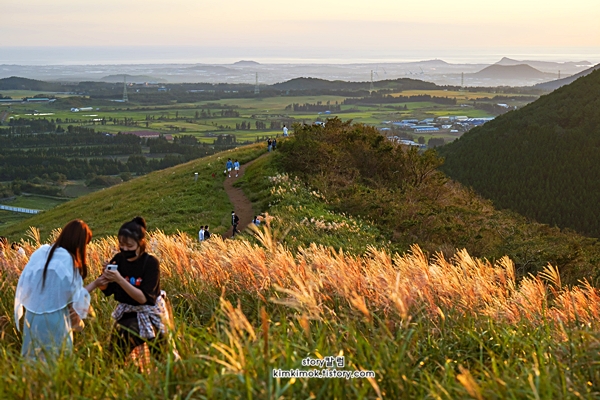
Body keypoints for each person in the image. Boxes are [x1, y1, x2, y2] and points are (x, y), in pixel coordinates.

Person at [14, 219, 99, 360]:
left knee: (33, 361)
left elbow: (25, 284)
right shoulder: (69, 260)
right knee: (57, 361)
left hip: (32, 317)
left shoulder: (41, 252)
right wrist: (96, 284)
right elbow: (75, 298)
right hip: (55, 319)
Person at [98, 217, 172, 369]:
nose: (125, 249)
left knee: (162, 359)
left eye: (129, 246)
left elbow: (143, 298)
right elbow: (107, 290)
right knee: (114, 356)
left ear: (141, 243)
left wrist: (119, 279)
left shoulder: (151, 263)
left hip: (151, 313)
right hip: (128, 313)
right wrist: (104, 278)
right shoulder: (118, 259)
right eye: (121, 245)